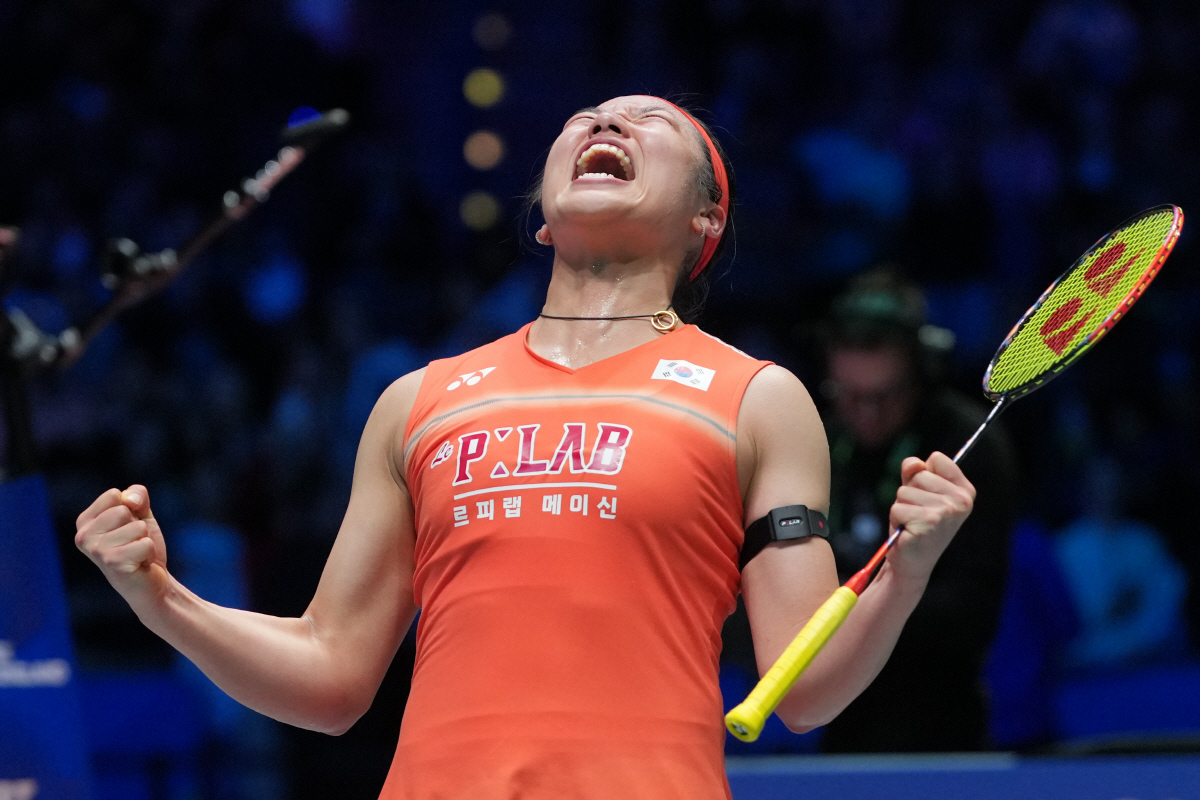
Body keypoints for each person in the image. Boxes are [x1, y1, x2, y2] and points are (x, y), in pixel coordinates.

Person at [74, 97, 976, 800]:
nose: (607, 122)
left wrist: (909, 568)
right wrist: (159, 598)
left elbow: (801, 687)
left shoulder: (754, 398)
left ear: (706, 222)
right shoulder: (418, 404)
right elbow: (332, 674)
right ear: (544, 220)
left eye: (652, 123)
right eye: (585, 119)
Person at [815, 267, 1017, 752]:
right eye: (850, 396)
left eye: (884, 396)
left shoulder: (971, 447)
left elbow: (970, 619)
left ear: (922, 372)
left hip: (944, 729)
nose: (867, 413)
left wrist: (865, 597)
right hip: (836, 728)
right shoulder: (816, 437)